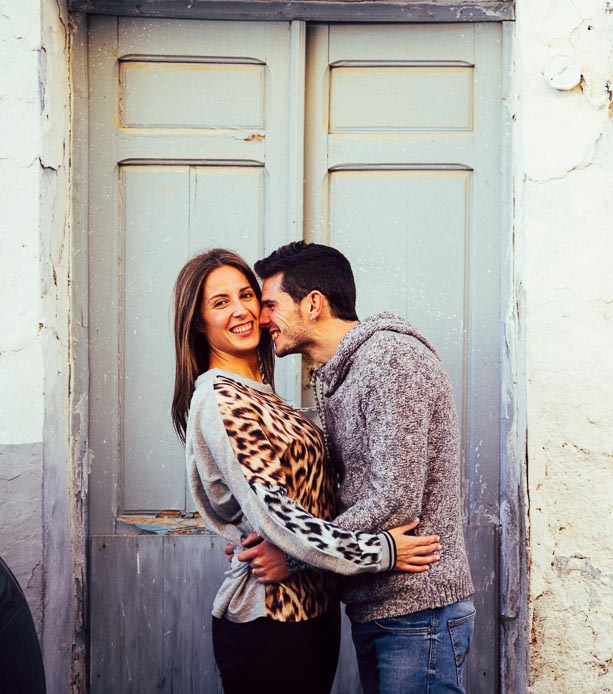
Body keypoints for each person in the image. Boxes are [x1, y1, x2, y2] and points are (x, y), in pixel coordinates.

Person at [170, 248, 442, 694]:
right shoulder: (223, 400)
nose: (242, 311)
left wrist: (259, 532)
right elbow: (280, 518)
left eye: (247, 296)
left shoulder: (260, 393)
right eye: (220, 303)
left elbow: (294, 504)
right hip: (270, 617)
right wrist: (382, 552)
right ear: (198, 322)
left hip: (312, 611)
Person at [237, 241, 475, 694]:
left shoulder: (389, 362)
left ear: (313, 304)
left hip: (418, 610)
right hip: (384, 606)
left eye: (270, 304)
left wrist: (292, 555)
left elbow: (394, 499)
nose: (262, 318)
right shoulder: (341, 372)